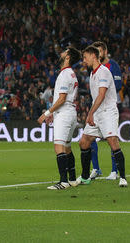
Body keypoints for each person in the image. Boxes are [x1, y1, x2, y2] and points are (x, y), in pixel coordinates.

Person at [77, 45, 128, 187]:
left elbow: (101, 95)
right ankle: (85, 176)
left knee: (112, 142)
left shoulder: (104, 72)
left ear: (94, 56)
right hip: (98, 112)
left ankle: (123, 177)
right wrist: (93, 113)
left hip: (107, 112)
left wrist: (90, 113)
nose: (84, 60)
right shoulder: (93, 73)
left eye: (85, 57)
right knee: (84, 142)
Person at [38, 47, 81, 190]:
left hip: (64, 114)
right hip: (70, 113)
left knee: (59, 147)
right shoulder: (71, 74)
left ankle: (63, 182)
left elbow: (62, 99)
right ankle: (73, 179)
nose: (61, 53)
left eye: (65, 51)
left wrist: (47, 113)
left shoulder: (64, 74)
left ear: (67, 57)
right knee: (67, 147)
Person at [89, 41, 123, 180]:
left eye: (99, 52)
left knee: (111, 139)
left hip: (109, 106)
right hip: (97, 108)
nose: (97, 55)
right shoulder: (95, 68)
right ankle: (96, 168)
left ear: (105, 52)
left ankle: (115, 171)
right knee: (88, 138)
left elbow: (118, 85)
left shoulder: (112, 66)